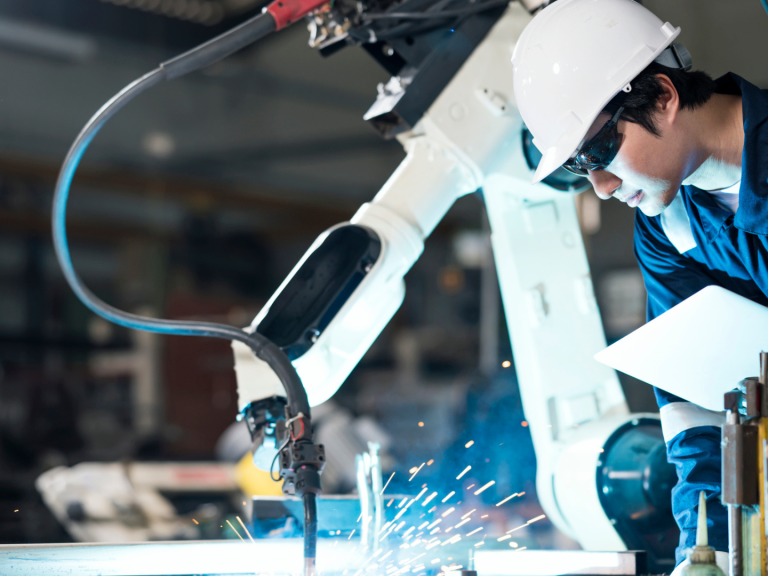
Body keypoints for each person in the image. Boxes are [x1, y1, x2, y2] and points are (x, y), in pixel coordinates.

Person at [512, 0, 768, 570]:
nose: (600, 187)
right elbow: (702, 412)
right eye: (581, 167)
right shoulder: (668, 229)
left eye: (600, 151)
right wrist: (710, 551)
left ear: (663, 95)